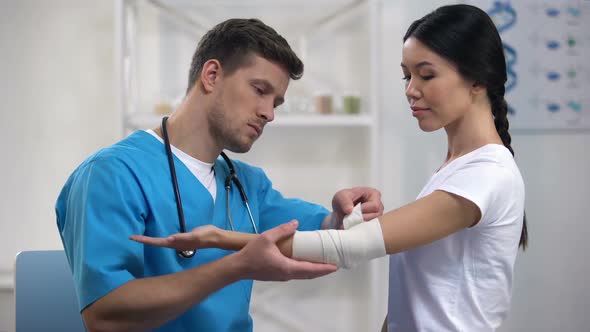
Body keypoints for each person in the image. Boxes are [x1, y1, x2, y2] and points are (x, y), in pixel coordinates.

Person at [132, 5, 528, 332]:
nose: (410, 89)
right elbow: (421, 297)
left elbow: (351, 248)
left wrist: (221, 239)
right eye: (407, 76)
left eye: (426, 75)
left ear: (476, 79)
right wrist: (345, 218)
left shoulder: (486, 172)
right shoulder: (453, 171)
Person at [55, 18, 384, 332]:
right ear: (211, 74)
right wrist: (237, 266)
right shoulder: (113, 174)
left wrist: (342, 217)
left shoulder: (245, 184)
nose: (269, 113)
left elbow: (318, 233)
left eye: (277, 102)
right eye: (259, 90)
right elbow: (105, 317)